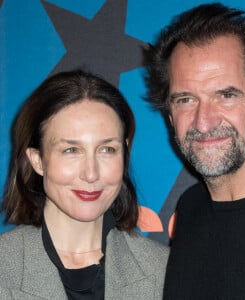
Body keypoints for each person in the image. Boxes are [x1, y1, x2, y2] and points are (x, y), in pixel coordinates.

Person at [144, 2, 245, 299]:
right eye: (186, 100)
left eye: (226, 95)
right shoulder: (190, 207)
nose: (203, 123)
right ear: (169, 115)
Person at [0, 69, 169, 299]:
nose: (91, 174)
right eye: (71, 150)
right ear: (38, 160)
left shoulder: (163, 271)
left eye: (107, 150)